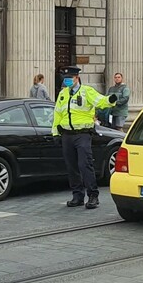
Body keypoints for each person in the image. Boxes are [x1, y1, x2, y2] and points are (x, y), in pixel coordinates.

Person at [52, 65, 117, 209]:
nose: (67, 81)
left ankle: (93, 195)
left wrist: (111, 100)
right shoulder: (63, 93)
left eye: (70, 78)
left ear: (77, 78)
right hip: (67, 135)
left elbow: (101, 101)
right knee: (72, 166)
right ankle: (77, 196)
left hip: (82, 134)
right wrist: (55, 133)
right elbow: (57, 114)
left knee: (84, 164)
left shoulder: (86, 91)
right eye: (66, 78)